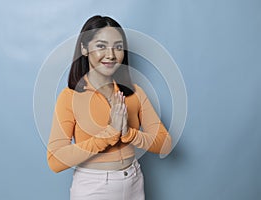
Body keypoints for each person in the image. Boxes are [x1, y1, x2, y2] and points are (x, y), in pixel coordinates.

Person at [47, 15, 172, 200]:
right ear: (84, 49)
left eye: (118, 47)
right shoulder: (70, 97)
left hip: (134, 181)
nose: (111, 54)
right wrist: (108, 134)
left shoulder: (134, 93)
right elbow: (55, 160)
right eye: (101, 46)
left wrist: (129, 134)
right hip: (93, 188)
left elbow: (165, 144)